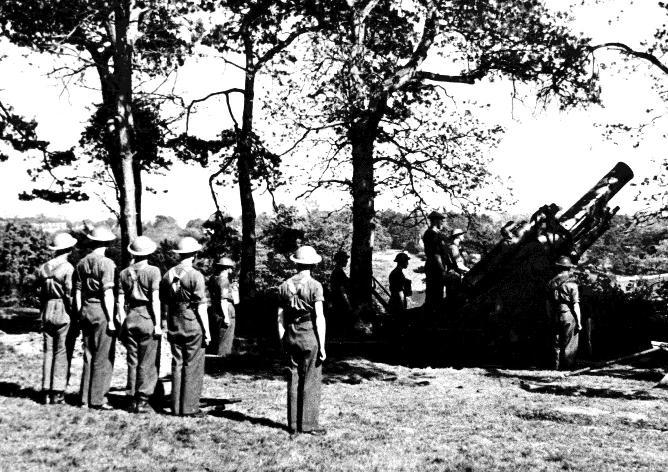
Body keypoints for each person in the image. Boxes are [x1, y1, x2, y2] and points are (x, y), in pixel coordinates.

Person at [277, 245, 327, 435]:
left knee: (293, 378)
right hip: (308, 333)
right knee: (311, 379)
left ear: (296, 263)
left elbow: (279, 318)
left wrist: (282, 340)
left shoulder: (284, 286)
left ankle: (293, 425)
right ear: (313, 264)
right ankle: (308, 424)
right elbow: (319, 317)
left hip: (290, 334)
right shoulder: (315, 286)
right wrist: (322, 345)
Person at [161, 236, 211, 416]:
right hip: (191, 322)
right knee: (193, 365)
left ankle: (176, 407)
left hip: (174, 322)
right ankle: (189, 408)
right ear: (194, 254)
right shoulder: (196, 275)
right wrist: (207, 331)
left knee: (177, 363)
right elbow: (201, 307)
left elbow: (164, 301)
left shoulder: (167, 274)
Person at [117, 236, 162, 413]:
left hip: (130, 317)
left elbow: (120, 302)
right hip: (146, 316)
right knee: (147, 361)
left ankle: (131, 398)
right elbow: (156, 300)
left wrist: (123, 322)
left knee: (132, 360)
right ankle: (143, 400)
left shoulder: (124, 273)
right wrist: (157, 324)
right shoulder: (153, 271)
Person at [74, 225, 117, 409]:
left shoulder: (81, 263)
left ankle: (85, 398)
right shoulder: (107, 263)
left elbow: (77, 292)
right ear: (106, 243)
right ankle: (98, 399)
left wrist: (80, 312)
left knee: (88, 354)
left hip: (85, 309)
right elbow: (108, 293)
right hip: (101, 311)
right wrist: (112, 319)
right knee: (103, 355)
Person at [36, 232, 77, 405]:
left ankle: (45, 390)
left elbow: (39, 292)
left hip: (47, 309)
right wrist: (74, 313)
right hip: (62, 309)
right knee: (62, 351)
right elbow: (69, 293)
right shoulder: (68, 268)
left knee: (48, 351)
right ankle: (57, 391)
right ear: (69, 249)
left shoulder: (44, 268)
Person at [546, 255, 581, 370]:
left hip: (555, 313)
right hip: (568, 314)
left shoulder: (551, 283)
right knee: (570, 340)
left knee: (556, 340)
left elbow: (548, 303)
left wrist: (550, 316)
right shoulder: (572, 284)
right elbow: (575, 305)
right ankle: (567, 366)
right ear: (568, 268)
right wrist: (579, 322)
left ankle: (555, 365)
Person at [207, 256, 237, 357]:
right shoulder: (224, 280)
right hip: (225, 310)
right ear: (227, 268)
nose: (232, 270)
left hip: (215, 310)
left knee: (217, 338)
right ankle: (222, 360)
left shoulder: (213, 278)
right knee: (225, 340)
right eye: (231, 267)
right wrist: (226, 317)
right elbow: (223, 299)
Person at [422, 211, 448, 312]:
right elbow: (435, 254)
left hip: (434, 265)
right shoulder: (431, 234)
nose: (442, 223)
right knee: (435, 293)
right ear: (436, 221)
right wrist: (442, 269)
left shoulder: (435, 233)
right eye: (441, 221)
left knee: (436, 292)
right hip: (435, 267)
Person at [328, 250, 352, 336]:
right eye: (345, 259)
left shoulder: (338, 271)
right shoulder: (338, 272)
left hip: (337, 301)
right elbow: (342, 290)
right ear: (341, 260)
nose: (347, 261)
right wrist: (348, 303)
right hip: (340, 302)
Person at [443, 228, 469, 304]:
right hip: (453, 277)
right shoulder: (454, 248)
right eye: (462, 234)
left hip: (453, 276)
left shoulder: (454, 247)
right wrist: (469, 271)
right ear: (458, 236)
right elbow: (459, 265)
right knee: (454, 301)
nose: (463, 236)